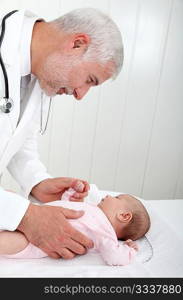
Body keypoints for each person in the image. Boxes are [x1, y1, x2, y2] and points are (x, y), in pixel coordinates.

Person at [0, 8, 123, 259]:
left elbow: (16, 137)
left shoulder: (39, 71)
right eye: (90, 79)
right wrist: (24, 215)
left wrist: (36, 181)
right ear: (77, 44)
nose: (80, 94)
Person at [0, 182, 150, 266]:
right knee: (9, 196)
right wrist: (69, 196)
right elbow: (63, 206)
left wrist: (129, 251)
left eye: (117, 198)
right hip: (30, 215)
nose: (109, 196)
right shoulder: (92, 208)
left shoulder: (105, 232)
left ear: (124, 215)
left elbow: (114, 256)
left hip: (34, 242)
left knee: (10, 241)